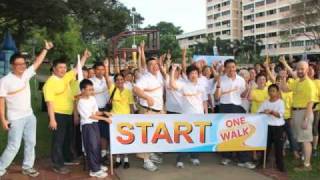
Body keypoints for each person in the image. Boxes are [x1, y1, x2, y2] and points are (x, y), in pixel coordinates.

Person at [0, 41, 53, 177]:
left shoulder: (26, 74)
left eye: (24, 64)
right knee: (14, 145)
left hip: (29, 116)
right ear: (13, 65)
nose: (22, 66)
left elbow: (37, 62)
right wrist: (3, 120)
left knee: (31, 143)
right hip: (15, 118)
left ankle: (27, 166)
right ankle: (1, 167)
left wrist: (45, 49)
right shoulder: (5, 81)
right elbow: (2, 101)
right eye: (19, 64)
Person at [43, 49, 91, 174]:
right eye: (60, 67)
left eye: (64, 67)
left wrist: (84, 56)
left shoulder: (65, 78)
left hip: (68, 113)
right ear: (54, 68)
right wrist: (52, 119)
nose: (63, 70)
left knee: (67, 138)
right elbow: (49, 103)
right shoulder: (50, 83)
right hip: (57, 114)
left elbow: (76, 68)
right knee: (58, 140)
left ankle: (66, 158)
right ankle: (57, 164)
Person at [215, 59, 256, 169]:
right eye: (229, 67)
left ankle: (243, 159)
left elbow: (242, 95)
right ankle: (226, 157)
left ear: (235, 67)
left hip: (238, 107)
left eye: (233, 67)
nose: (231, 69)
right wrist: (218, 85)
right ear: (225, 68)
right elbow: (217, 97)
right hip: (224, 107)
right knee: (226, 134)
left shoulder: (241, 79)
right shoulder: (221, 79)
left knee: (240, 134)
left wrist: (248, 88)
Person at [280, 60, 317, 171]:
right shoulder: (297, 82)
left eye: (302, 69)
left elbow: (310, 103)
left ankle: (307, 165)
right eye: (298, 68)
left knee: (306, 140)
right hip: (296, 112)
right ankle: (304, 160)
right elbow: (284, 89)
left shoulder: (309, 84)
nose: (300, 71)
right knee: (301, 138)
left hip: (304, 113)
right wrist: (283, 78)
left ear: (307, 69)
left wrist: (305, 119)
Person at [170, 64, 208, 168]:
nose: (193, 75)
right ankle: (180, 160)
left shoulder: (202, 87)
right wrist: (173, 70)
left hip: (199, 116)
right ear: (187, 75)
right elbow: (172, 85)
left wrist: (206, 114)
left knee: (197, 138)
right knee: (185, 138)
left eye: (195, 73)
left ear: (198, 74)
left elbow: (204, 101)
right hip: (186, 116)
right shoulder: (184, 85)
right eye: (191, 73)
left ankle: (194, 157)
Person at [133, 56, 164, 171]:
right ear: (147, 67)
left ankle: (149, 154)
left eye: (156, 64)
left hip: (158, 111)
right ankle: (146, 160)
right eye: (151, 64)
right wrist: (147, 97)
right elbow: (135, 89)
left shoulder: (158, 75)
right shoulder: (145, 78)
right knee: (145, 136)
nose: (154, 66)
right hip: (147, 110)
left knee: (153, 135)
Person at [77, 79, 111, 178]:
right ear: (82, 90)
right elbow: (90, 116)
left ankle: (98, 165)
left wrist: (104, 112)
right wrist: (105, 118)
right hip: (87, 126)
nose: (92, 92)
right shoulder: (81, 102)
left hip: (95, 124)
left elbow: (95, 113)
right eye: (89, 90)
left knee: (97, 145)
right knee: (91, 147)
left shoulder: (92, 99)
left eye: (92, 89)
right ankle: (94, 170)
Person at [104, 60, 134, 169]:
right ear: (115, 81)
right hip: (114, 119)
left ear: (124, 80)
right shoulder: (112, 89)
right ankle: (117, 160)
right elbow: (107, 79)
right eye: (117, 80)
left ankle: (125, 159)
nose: (120, 81)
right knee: (115, 139)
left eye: (121, 79)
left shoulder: (128, 91)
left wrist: (132, 117)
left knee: (126, 140)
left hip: (126, 118)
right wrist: (107, 66)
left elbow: (131, 105)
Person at [258, 84, 286, 172]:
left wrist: (271, 112)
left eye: (273, 91)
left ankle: (280, 165)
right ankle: (262, 162)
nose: (271, 93)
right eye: (270, 91)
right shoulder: (265, 102)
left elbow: (280, 115)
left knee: (278, 147)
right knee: (266, 146)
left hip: (278, 126)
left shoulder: (281, 102)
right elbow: (259, 112)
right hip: (267, 126)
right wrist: (264, 112)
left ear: (277, 92)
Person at [89, 61, 110, 160]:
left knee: (105, 133)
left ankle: (104, 153)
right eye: (98, 69)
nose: (101, 71)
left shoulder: (108, 80)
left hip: (106, 109)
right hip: (95, 111)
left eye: (103, 69)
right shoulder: (90, 82)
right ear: (94, 70)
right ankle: (97, 154)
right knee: (97, 134)